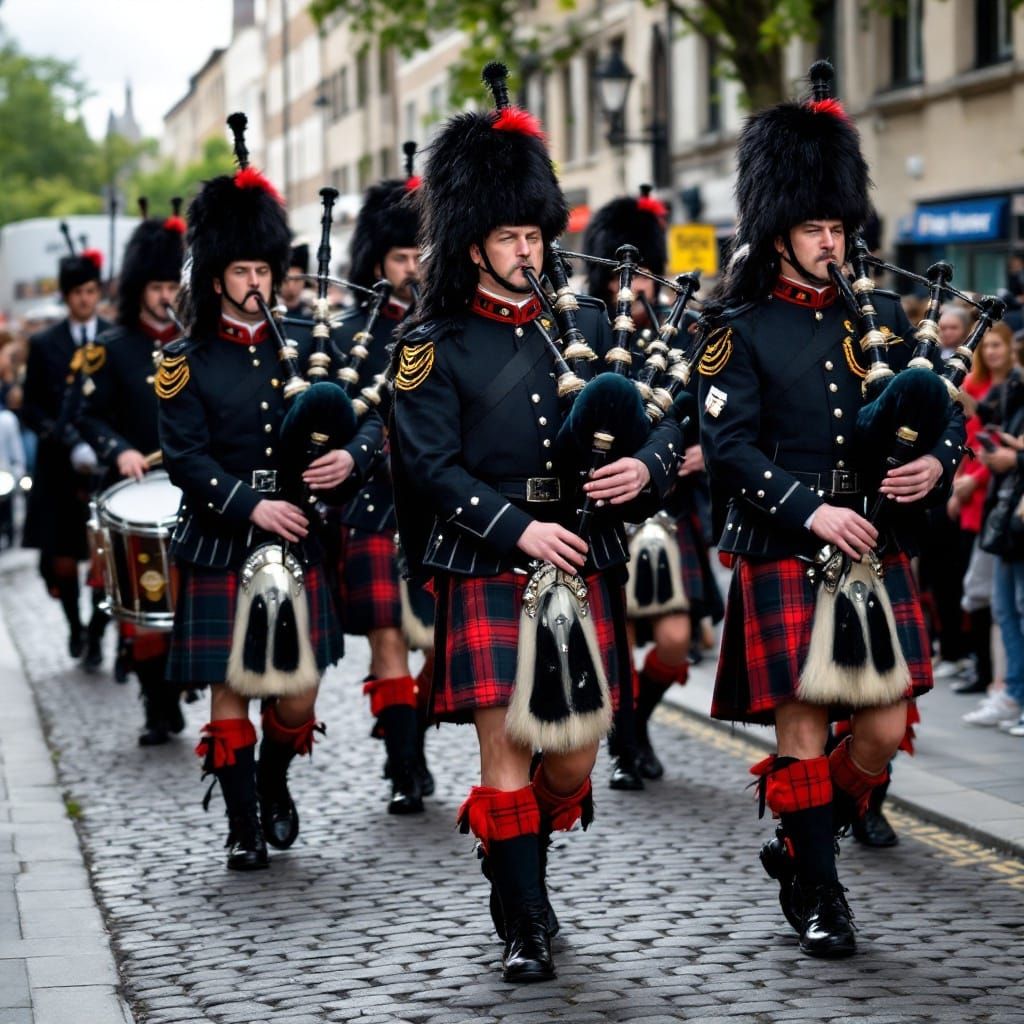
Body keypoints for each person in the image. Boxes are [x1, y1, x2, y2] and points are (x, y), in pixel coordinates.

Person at [391, 63, 683, 982]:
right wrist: (518, 530)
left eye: (534, 233)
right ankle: (521, 917)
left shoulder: (587, 322)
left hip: (581, 559)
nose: (526, 250)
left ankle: (521, 859)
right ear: (472, 243)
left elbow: (670, 421)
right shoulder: (428, 345)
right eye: (509, 235)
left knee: (573, 756)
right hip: (487, 561)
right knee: (507, 748)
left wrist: (647, 465)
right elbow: (431, 469)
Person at [698, 62, 964, 959]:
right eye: (813, 227)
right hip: (785, 545)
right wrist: (812, 511)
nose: (830, 243)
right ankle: (820, 891)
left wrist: (935, 460)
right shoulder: (735, 328)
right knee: (803, 733)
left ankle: (797, 840)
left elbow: (945, 416)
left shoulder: (884, 318)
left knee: (882, 729)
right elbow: (729, 451)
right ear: (776, 234)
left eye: (839, 227)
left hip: (874, 547)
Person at [158, 115, 385, 870]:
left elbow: (369, 423)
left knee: (296, 698)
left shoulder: (309, 344)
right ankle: (243, 822)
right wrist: (250, 504)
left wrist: (349, 460)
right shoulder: (182, 361)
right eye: (243, 272)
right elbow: (185, 459)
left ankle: (272, 780)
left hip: (298, 539)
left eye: (265, 271)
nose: (257, 285)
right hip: (226, 534)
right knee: (230, 687)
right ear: (215, 273)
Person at [582, 190, 722, 788]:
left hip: (671, 504)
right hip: (604, 512)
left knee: (674, 640)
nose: (631, 285)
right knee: (610, 647)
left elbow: (722, 407)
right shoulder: (581, 329)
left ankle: (632, 722)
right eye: (620, 273)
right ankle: (621, 741)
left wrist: (703, 452)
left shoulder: (688, 327)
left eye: (639, 273)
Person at [332, 147, 435, 813]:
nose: (412, 268)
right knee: (388, 639)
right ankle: (404, 764)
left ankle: (409, 730)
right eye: (401, 257)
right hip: (371, 503)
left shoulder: (445, 329)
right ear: (377, 262)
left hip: (437, 506)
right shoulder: (343, 338)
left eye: (420, 254)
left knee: (448, 639)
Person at [78, 199, 188, 745]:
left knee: (191, 599)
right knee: (144, 605)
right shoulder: (111, 349)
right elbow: (86, 414)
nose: (167, 297)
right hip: (134, 487)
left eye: (174, 285)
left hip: (193, 489)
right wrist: (118, 449)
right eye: (157, 287)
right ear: (139, 289)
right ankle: (155, 703)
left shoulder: (198, 346)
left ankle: (183, 680)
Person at [21, 242, 112, 667]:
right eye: (77, 292)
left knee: (105, 557)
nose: (84, 299)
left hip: (105, 465)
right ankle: (74, 624)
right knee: (61, 562)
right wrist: (62, 438)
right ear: (66, 296)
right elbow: (32, 404)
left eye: (91, 291)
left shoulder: (114, 339)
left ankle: (96, 630)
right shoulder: (43, 344)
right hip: (59, 467)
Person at [279, 243, 312, 318]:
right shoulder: (268, 315)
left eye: (296, 280)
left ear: (304, 280)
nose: (291, 286)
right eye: (285, 280)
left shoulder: (312, 315)